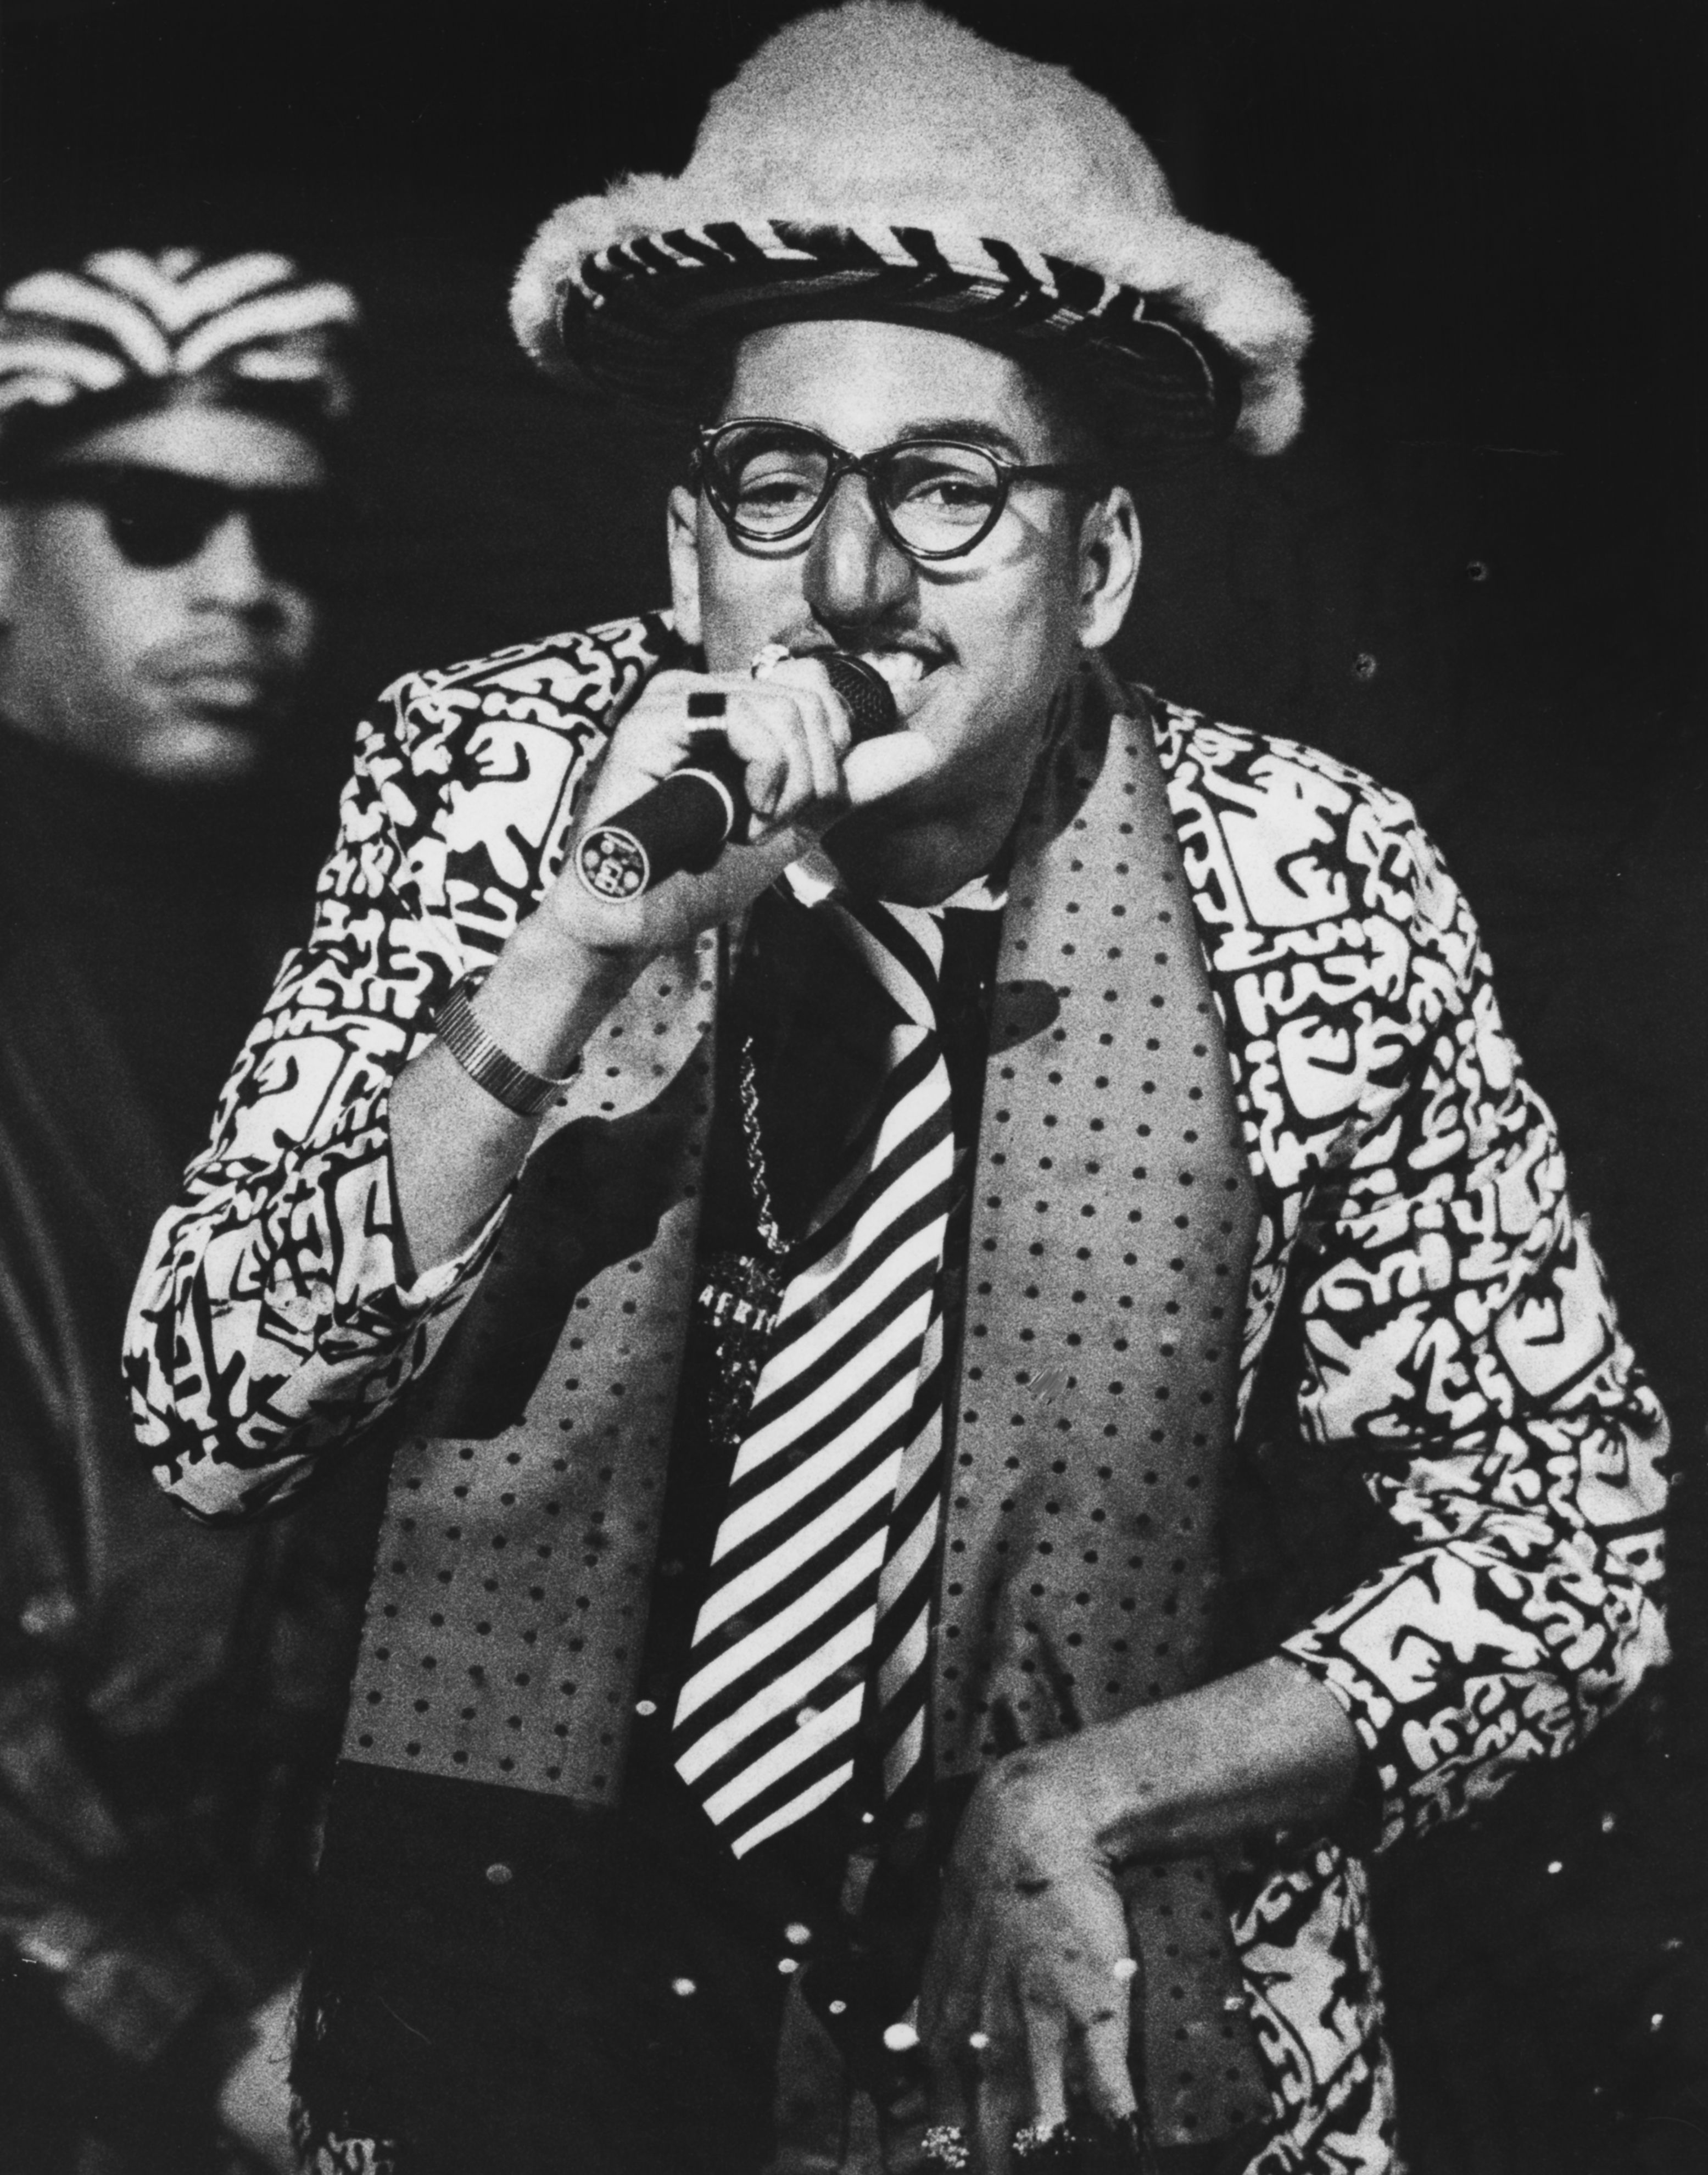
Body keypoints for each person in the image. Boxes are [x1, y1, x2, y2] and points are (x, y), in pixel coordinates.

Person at [123, 10, 1670, 2174]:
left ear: (1100, 563)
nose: (852, 578)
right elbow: (210, 1413)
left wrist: (1096, 1791)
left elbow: (1564, 1553)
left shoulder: (1315, 884)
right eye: (778, 488)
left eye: (946, 488)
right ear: (690, 556)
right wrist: (565, 961)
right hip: (539, 2039)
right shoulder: (490, 782)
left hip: (1086, 2054)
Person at [0, 246, 369, 2173]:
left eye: (279, 527)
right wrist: (212, 2015)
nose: (239, 584)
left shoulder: (325, 947)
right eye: (156, 515)